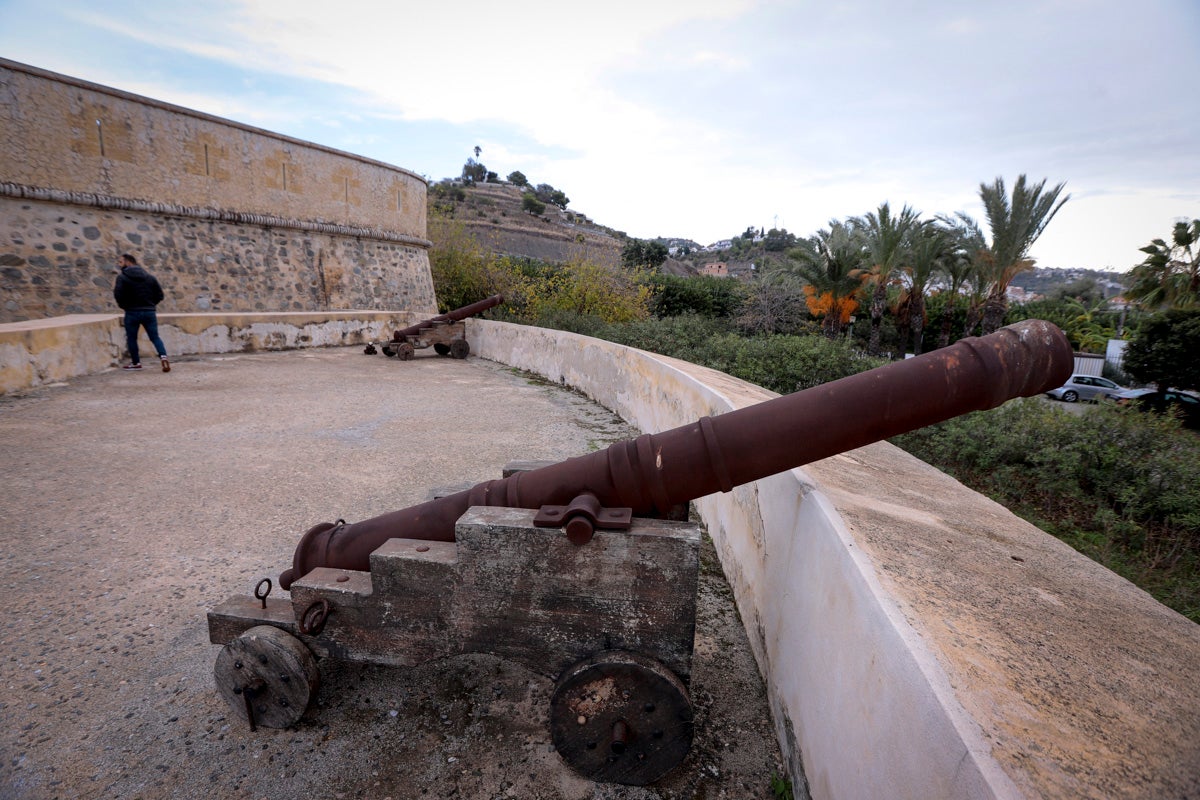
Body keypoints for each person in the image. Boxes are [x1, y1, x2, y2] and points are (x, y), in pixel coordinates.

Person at [113, 254, 170, 372]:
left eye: (120, 262)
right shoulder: (150, 277)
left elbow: (118, 295)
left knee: (132, 338)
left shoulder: (122, 278)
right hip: (149, 312)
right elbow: (160, 295)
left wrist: (124, 306)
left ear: (128, 262)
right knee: (155, 337)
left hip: (131, 312)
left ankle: (136, 363)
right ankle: (163, 357)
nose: (119, 265)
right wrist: (150, 305)